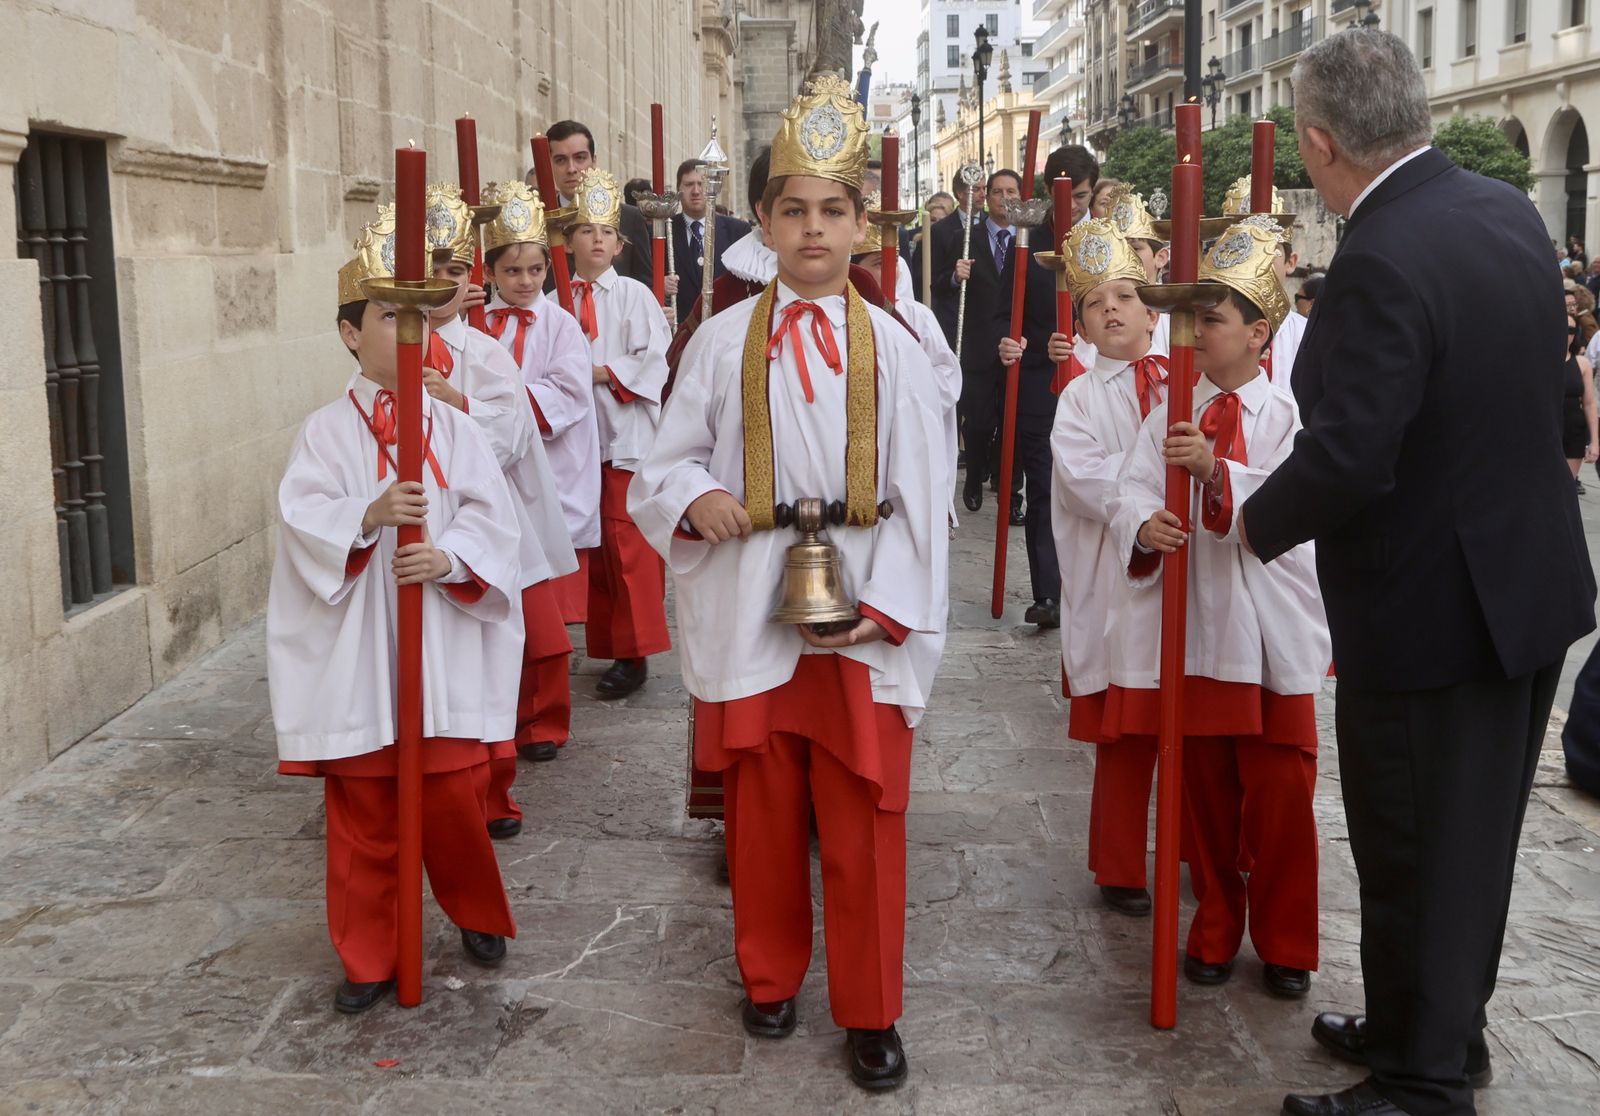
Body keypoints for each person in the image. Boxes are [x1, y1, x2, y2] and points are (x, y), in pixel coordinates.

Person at [1235, 31, 1595, 1116]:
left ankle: (1421, 1084)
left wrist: (1247, 523)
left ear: (1316, 140)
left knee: (1416, 846)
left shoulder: (1379, 255)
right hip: (1520, 589)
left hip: (1434, 609)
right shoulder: (1501, 209)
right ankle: (1425, 1029)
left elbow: (1349, 453)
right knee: (1465, 843)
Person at [629, 74, 948, 1093]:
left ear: (863, 224)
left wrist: (886, 609)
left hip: (856, 624)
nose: (814, 229)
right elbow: (663, 460)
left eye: (834, 211)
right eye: (793, 209)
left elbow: (925, 493)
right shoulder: (720, 343)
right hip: (749, 605)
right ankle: (768, 974)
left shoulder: (896, 350)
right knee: (761, 810)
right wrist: (696, 498)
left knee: (861, 819)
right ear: (761, 221)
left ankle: (870, 1007)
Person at [268, 208, 521, 1013]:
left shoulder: (453, 426)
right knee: (366, 807)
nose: (405, 329)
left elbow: (494, 516)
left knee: (449, 797)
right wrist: (366, 518)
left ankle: (476, 912)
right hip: (360, 652)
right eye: (386, 315)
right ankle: (369, 953)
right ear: (350, 333)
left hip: (435, 642)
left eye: (416, 313)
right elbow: (302, 516)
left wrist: (450, 558)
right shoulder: (322, 434)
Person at [1108, 216, 1329, 1000]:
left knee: (1277, 800)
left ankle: (1286, 941)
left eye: (1212, 317)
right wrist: (1142, 521)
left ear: (1258, 333)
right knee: (1202, 794)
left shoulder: (1292, 417)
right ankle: (1213, 928)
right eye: (1193, 315)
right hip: (1198, 627)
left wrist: (1217, 474)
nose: (1196, 331)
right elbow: (1130, 485)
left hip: (1268, 638)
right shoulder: (1170, 407)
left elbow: (1296, 508)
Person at [423, 183, 577, 830]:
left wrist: (454, 403)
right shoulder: (380, 349)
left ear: (469, 281)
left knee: (495, 653)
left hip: (483, 523)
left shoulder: (483, 354)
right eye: (430, 269)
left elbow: (512, 435)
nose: (440, 282)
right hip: (419, 532)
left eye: (454, 270)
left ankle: (492, 787)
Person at [1046, 217, 1170, 916]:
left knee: (1193, 723)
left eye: (1126, 294)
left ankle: (1192, 841)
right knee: (1127, 731)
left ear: (1154, 307)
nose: (1113, 308)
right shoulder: (1080, 398)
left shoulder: (1192, 377)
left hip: (1187, 565)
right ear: (1083, 328)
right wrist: (1143, 511)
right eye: (1096, 302)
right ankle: (1120, 862)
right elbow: (1084, 479)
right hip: (1122, 576)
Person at [567, 168, 674, 698]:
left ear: (619, 242)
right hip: (572, 442)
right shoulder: (555, 298)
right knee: (595, 550)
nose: (597, 240)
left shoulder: (633, 296)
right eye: (586, 230)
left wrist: (601, 373)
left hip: (623, 438)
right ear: (569, 241)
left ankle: (636, 654)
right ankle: (606, 643)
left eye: (606, 232)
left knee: (629, 547)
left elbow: (653, 361)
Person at [994, 144, 1101, 630]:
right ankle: (1049, 592)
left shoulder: (1107, 243)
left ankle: (1094, 586)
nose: (1072, 205)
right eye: (1065, 195)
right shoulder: (1026, 243)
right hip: (1042, 384)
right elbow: (1004, 314)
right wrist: (1011, 345)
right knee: (1043, 486)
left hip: (1100, 385)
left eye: (1081, 195)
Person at [483, 186, 601, 629]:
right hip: (497, 463)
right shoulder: (479, 325)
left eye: (535, 270)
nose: (526, 281)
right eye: (512, 271)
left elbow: (570, 392)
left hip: (551, 462)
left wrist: (503, 408)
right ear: (490, 273)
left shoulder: (561, 323)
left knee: (546, 575)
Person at [937, 169, 1014, 517]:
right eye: (997, 191)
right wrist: (955, 276)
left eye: (1011, 191)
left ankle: (1011, 492)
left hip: (1016, 344)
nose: (1003, 197)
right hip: (977, 343)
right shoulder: (967, 237)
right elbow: (938, 285)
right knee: (980, 421)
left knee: (1013, 419)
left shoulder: (1029, 238)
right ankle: (974, 475)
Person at [539, 120, 654, 284]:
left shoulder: (629, 218)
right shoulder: (538, 221)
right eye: (560, 160)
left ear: (593, 161)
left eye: (580, 158)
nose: (571, 169)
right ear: (549, 165)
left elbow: (644, 281)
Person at [670, 157, 753, 323]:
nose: (695, 191)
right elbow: (647, 280)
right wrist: (662, 283)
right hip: (680, 332)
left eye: (701, 184)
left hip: (725, 328)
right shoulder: (666, 232)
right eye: (688, 184)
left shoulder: (738, 231)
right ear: (678, 189)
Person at [928, 168, 987, 349]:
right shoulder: (940, 230)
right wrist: (954, 277)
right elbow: (934, 281)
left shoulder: (991, 224)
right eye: (976, 189)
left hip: (986, 319)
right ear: (960, 193)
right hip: (954, 320)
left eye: (985, 188)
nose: (982, 194)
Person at [1563, 312, 1598, 495]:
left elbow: (1590, 403)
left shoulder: (1582, 363)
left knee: (1567, 487)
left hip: (1573, 430)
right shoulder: (1540, 361)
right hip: (1545, 429)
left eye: (1571, 330)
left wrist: (1594, 441)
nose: (1566, 333)